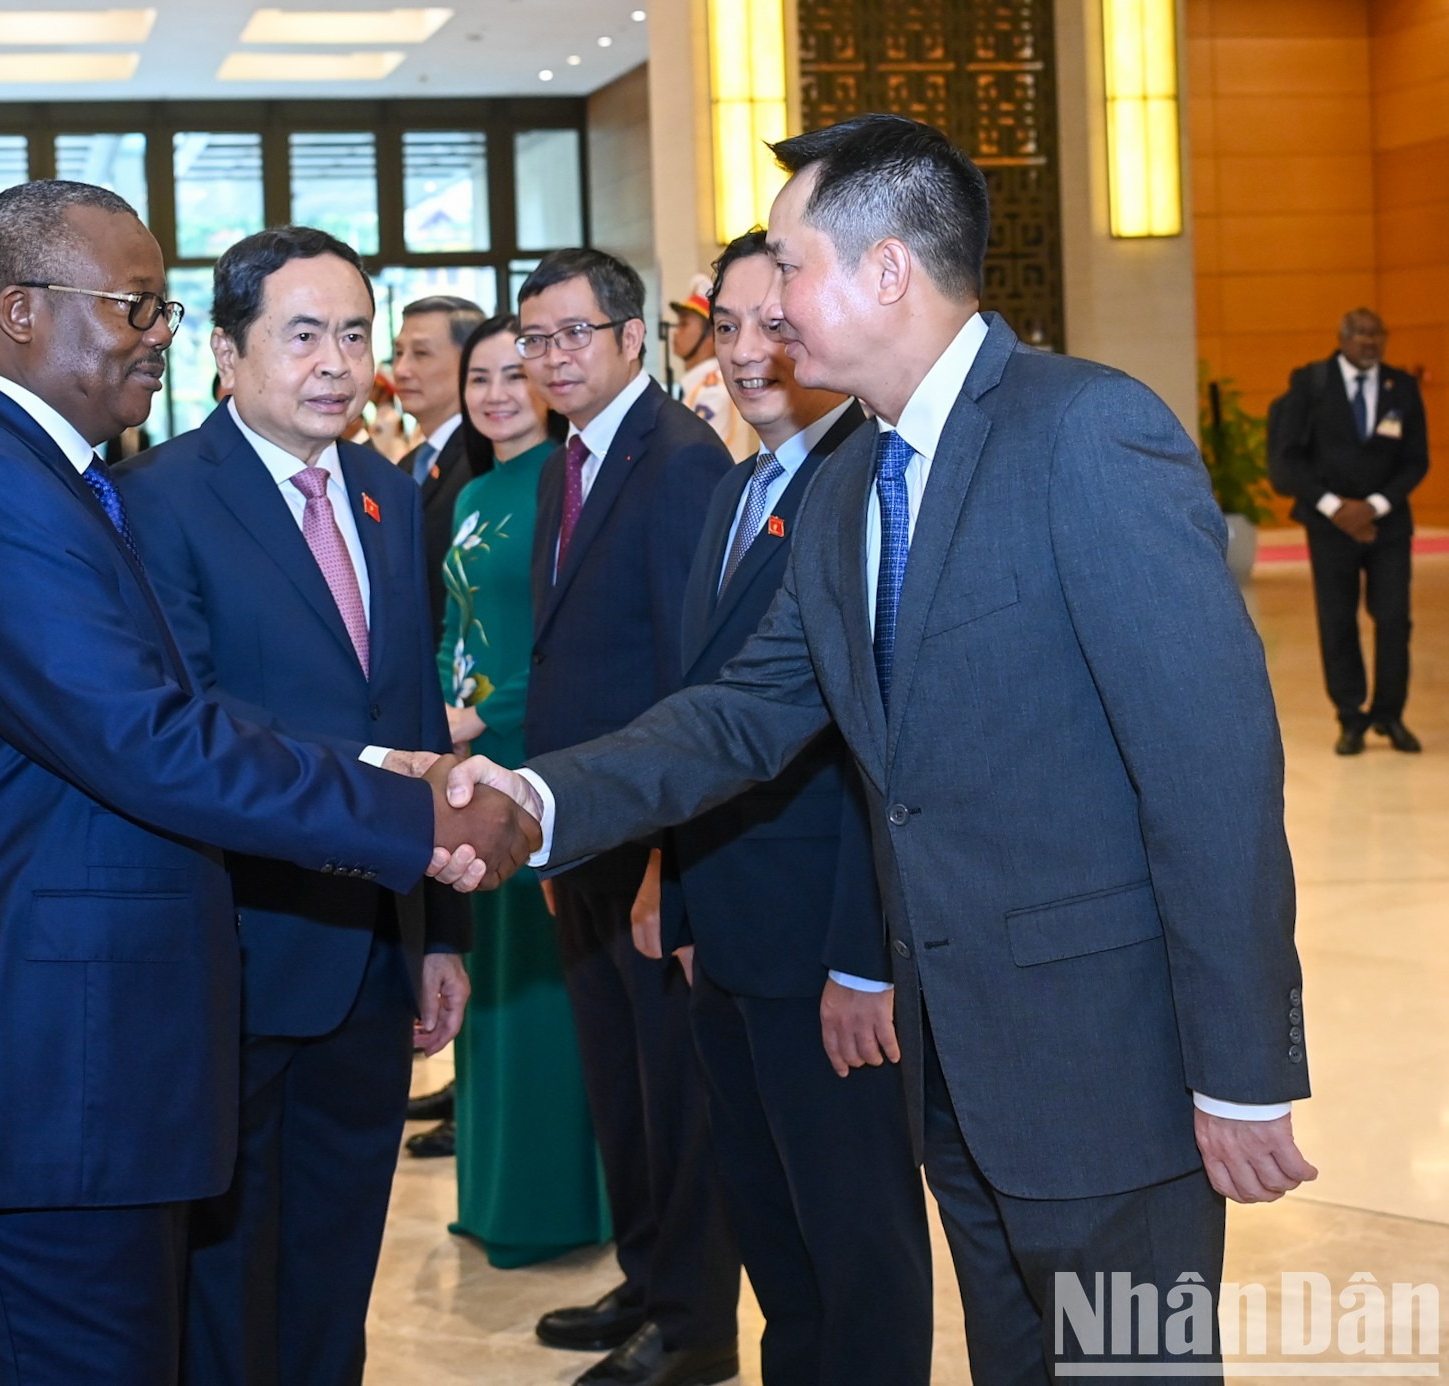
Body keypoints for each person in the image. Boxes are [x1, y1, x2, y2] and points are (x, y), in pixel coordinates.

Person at [442, 114, 1315, 1384]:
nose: (765, 305)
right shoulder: (852, 481)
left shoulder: (1085, 432)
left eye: (789, 269)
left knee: (1136, 1370)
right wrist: (533, 795)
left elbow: (1215, 773)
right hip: (950, 1067)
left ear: (887, 270)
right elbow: (744, 711)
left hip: (1106, 1072)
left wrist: (1241, 1072)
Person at [0, 180, 537, 1386]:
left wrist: (401, 787)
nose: (156, 331)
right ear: (27, 313)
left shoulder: (43, 479)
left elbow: (169, 726)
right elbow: (152, 739)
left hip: (68, 1086)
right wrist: (416, 814)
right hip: (18, 1094)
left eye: (160, 305)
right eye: (134, 305)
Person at [113, 226, 471, 1386]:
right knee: (224, 1279)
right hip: (233, 951)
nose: (337, 362)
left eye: (355, 334)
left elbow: (414, 708)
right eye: (303, 333)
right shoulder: (155, 500)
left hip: (368, 957)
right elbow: (188, 719)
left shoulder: (382, 489)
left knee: (334, 1260)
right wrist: (377, 774)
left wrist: (437, 932)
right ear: (225, 352)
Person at [641, 231, 931, 1383]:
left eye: (778, 323)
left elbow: (888, 759)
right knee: (776, 1242)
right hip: (730, 935)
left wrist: (865, 961)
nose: (752, 352)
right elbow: (705, 713)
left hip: (830, 956)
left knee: (857, 1249)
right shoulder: (730, 490)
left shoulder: (867, 483)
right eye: (730, 327)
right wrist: (675, 881)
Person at [515, 247, 740, 1386]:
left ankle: (696, 1328)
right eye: (535, 338)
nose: (551, 357)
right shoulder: (576, 458)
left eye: (572, 335)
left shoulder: (682, 463)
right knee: (619, 1074)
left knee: (676, 1089)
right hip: (587, 826)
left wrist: (668, 860)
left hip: (648, 834)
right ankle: (649, 1278)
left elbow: (691, 680)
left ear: (631, 337)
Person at [436, 313, 609, 1261]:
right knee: (487, 987)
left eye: (515, 373)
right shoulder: (474, 491)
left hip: (524, 769)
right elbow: (453, 627)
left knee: (542, 1002)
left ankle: (556, 1208)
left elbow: (559, 644)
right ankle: (496, 1196)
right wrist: (434, 724)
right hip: (463, 765)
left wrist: (486, 728)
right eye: (481, 378)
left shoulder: (561, 481)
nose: (497, 393)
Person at [1268, 307, 1428, 755]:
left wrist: (1373, 507)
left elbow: (1417, 459)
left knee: (1394, 618)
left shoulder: (1402, 387)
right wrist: (1335, 508)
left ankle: (1390, 714)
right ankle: (1351, 717)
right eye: (1359, 334)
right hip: (1328, 524)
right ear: (1342, 339)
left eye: (1377, 333)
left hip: (1388, 525)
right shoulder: (1311, 384)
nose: (1369, 341)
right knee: (1338, 620)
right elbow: (1287, 457)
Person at [393, 294, 488, 635]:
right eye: (398, 353)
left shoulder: (485, 460)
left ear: (471, 362)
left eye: (420, 353)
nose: (401, 370)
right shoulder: (405, 466)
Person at [670, 273, 756, 457]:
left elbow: (692, 456)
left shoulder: (712, 391)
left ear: (710, 335)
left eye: (684, 324)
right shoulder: (698, 386)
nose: (675, 332)